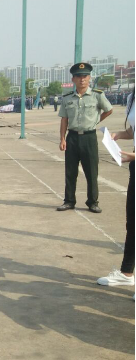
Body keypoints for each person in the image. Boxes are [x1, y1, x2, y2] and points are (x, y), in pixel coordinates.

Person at [58, 62, 113, 214]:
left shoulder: (97, 95)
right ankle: (69, 201)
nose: (82, 79)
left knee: (91, 172)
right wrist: (62, 139)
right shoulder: (67, 98)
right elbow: (64, 119)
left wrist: (96, 121)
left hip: (89, 138)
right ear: (73, 79)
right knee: (70, 171)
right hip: (72, 137)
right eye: (78, 76)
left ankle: (93, 202)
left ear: (89, 78)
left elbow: (109, 110)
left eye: (85, 76)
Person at [97, 87, 135, 289]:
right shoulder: (131, 98)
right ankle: (127, 273)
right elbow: (133, 131)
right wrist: (118, 135)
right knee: (133, 223)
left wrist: (132, 156)